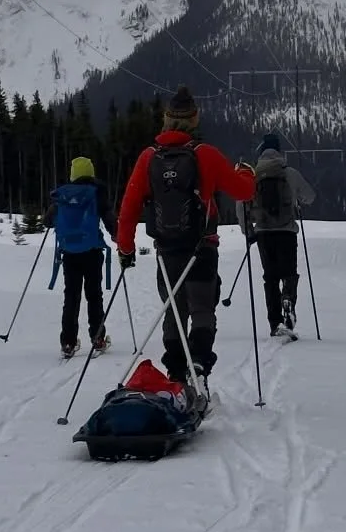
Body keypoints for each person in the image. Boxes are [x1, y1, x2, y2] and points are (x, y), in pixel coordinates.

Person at [115, 86, 256, 386]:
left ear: (166, 119)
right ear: (194, 119)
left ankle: (177, 372)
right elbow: (243, 191)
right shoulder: (204, 154)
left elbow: (128, 209)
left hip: (167, 250)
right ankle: (199, 366)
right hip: (202, 247)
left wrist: (125, 249)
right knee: (203, 308)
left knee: (173, 311)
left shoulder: (148, 158)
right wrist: (246, 173)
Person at [245, 133, 316, 336]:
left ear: (261, 153)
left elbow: (242, 204)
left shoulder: (253, 176)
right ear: (280, 151)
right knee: (289, 273)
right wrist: (297, 200)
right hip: (286, 231)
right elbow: (310, 197)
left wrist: (247, 230)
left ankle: (275, 322)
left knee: (270, 278)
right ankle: (288, 298)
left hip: (263, 234)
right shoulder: (290, 173)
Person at [49, 155, 114, 357]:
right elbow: (109, 218)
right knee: (94, 296)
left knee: (71, 297)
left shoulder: (63, 194)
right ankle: (98, 338)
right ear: (91, 172)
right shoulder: (97, 193)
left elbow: (47, 221)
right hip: (92, 251)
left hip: (69, 253)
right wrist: (120, 237)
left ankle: (68, 342)